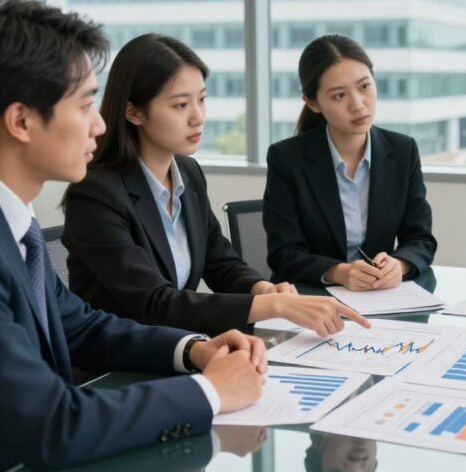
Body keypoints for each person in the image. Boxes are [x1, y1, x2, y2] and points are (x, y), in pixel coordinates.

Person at [0, 0, 268, 470]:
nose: (101, 124)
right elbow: (51, 425)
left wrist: (194, 350)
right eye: (85, 103)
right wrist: (210, 392)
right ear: (20, 121)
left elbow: (81, 324)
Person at [63, 34, 368, 336]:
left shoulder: (188, 172)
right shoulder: (95, 193)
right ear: (134, 112)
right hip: (115, 363)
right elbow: (155, 303)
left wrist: (260, 288)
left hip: (179, 346)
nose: (198, 117)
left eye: (202, 99)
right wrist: (273, 307)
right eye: (181, 105)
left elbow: (220, 263)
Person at [264, 34, 436, 290]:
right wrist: (340, 272)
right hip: (311, 299)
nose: (358, 105)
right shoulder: (287, 158)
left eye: (364, 87)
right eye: (338, 96)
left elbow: (421, 239)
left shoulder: (402, 151)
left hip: (381, 299)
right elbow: (284, 253)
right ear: (312, 102)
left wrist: (399, 265)